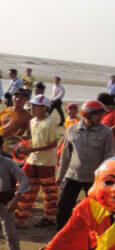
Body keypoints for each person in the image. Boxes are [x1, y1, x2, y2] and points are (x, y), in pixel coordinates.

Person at [55, 100, 115, 229]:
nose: (101, 117)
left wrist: (105, 180)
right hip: (72, 176)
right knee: (62, 210)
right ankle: (60, 239)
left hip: (94, 180)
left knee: (100, 212)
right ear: (87, 114)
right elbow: (65, 156)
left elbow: (109, 157)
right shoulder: (71, 130)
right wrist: (60, 176)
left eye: (101, 114)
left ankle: (100, 241)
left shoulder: (106, 132)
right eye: (97, 114)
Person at [15, 95, 61, 228]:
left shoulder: (51, 123)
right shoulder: (33, 121)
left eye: (35, 106)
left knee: (50, 193)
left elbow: (53, 144)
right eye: (32, 106)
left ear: (44, 108)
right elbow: (34, 138)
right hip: (32, 160)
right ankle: (20, 218)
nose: (32, 108)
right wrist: (23, 140)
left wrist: (33, 149)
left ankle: (49, 218)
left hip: (46, 163)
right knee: (25, 188)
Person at [0, 141, 30, 250]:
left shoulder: (8, 162)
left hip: (6, 201)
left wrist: (16, 198)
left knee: (10, 232)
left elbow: (24, 180)